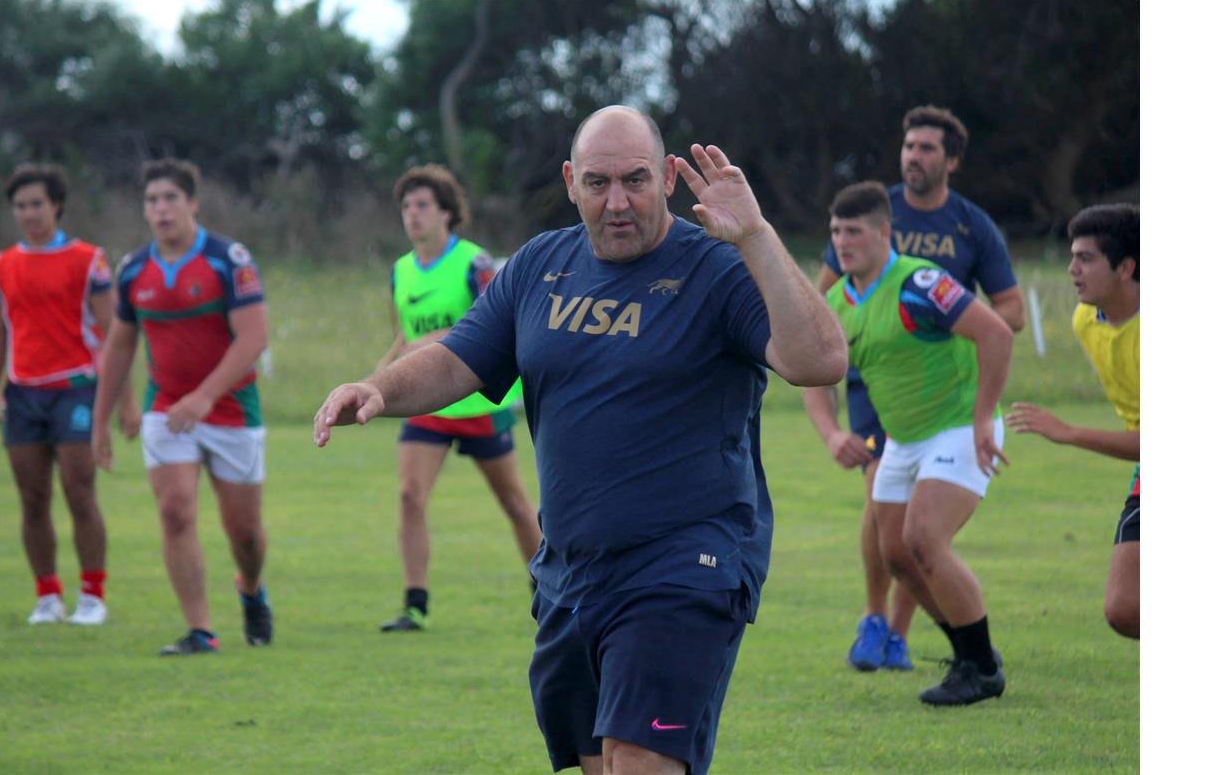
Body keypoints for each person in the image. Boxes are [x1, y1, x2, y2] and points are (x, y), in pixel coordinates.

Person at [315, 106, 846, 774]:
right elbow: (458, 357)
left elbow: (820, 360)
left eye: (636, 180)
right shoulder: (541, 264)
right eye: (598, 182)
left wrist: (758, 236)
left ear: (670, 178)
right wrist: (381, 389)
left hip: (684, 564)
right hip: (570, 572)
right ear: (571, 181)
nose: (617, 202)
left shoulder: (716, 269)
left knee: (640, 760)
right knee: (598, 762)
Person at [805, 104, 1024, 672]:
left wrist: (981, 416)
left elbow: (1002, 326)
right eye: (835, 234)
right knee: (897, 552)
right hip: (892, 417)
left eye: (852, 233)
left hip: (951, 419)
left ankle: (969, 662)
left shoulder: (929, 273)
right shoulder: (837, 301)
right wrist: (831, 434)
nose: (841, 244)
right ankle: (956, 650)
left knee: (923, 540)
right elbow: (810, 363)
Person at [91, 158, 273, 656]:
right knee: (174, 512)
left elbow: (254, 336)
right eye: (152, 200)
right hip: (167, 410)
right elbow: (120, 347)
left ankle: (252, 589)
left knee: (247, 536)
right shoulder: (134, 271)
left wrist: (207, 395)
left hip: (232, 410)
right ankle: (200, 631)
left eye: (171, 198)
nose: (161, 208)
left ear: (193, 203)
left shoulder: (227, 260)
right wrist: (100, 421)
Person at [374, 165, 543, 632]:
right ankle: (415, 605)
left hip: (478, 403)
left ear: (447, 212)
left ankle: (547, 592)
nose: (413, 215)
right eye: (406, 207)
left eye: (423, 205)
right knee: (409, 495)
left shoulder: (475, 262)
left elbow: (492, 325)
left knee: (513, 502)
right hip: (427, 405)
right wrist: (375, 382)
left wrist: (433, 343)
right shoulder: (400, 271)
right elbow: (402, 338)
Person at [0, 163, 140, 626]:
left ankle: (92, 595)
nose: (29, 213)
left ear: (55, 205)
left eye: (37, 204)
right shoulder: (2, 264)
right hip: (23, 394)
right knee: (32, 499)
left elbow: (116, 333)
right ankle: (47, 595)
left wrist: (125, 402)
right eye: (20, 206)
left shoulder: (87, 259)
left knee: (79, 492)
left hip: (76, 389)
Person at [1007, 204, 1139, 639]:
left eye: (1086, 258)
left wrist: (1068, 432)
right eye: (1072, 256)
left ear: (1126, 268)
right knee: (1125, 610)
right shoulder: (1086, 319)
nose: (1071, 269)